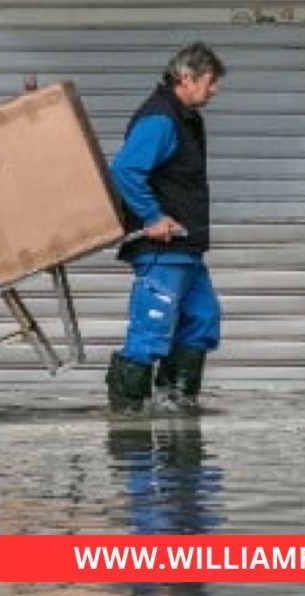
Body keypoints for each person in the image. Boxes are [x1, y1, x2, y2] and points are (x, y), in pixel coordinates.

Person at [106, 43, 225, 413]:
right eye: (210, 81)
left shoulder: (185, 118)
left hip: (186, 248)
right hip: (163, 250)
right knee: (151, 329)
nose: (215, 90)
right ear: (186, 79)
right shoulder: (160, 119)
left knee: (203, 320)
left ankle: (176, 400)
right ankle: (127, 416)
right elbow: (125, 170)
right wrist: (152, 218)